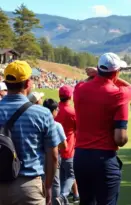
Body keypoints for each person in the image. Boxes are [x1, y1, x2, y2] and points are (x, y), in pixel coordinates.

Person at [73, 52, 131, 204]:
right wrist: (112, 78)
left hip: (80, 157)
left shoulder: (79, 89)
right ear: (116, 72)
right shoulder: (119, 94)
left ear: (98, 69)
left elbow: (83, 83)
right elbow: (120, 139)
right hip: (104, 159)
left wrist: (95, 75)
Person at [0, 60, 60, 205]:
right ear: (28, 83)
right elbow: (53, 156)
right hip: (29, 186)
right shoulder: (43, 113)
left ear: (6, 83)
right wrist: (48, 187)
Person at [54, 85, 77, 205]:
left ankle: (63, 200)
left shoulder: (55, 109)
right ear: (70, 96)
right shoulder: (72, 112)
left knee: (62, 178)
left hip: (55, 149)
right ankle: (63, 196)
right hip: (69, 149)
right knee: (72, 175)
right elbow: (77, 129)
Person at [43, 98, 68, 203]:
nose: (58, 111)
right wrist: (55, 148)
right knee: (55, 182)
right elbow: (64, 145)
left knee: (42, 181)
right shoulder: (57, 125)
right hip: (53, 156)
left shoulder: (40, 123)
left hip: (40, 156)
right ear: (53, 111)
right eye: (57, 110)